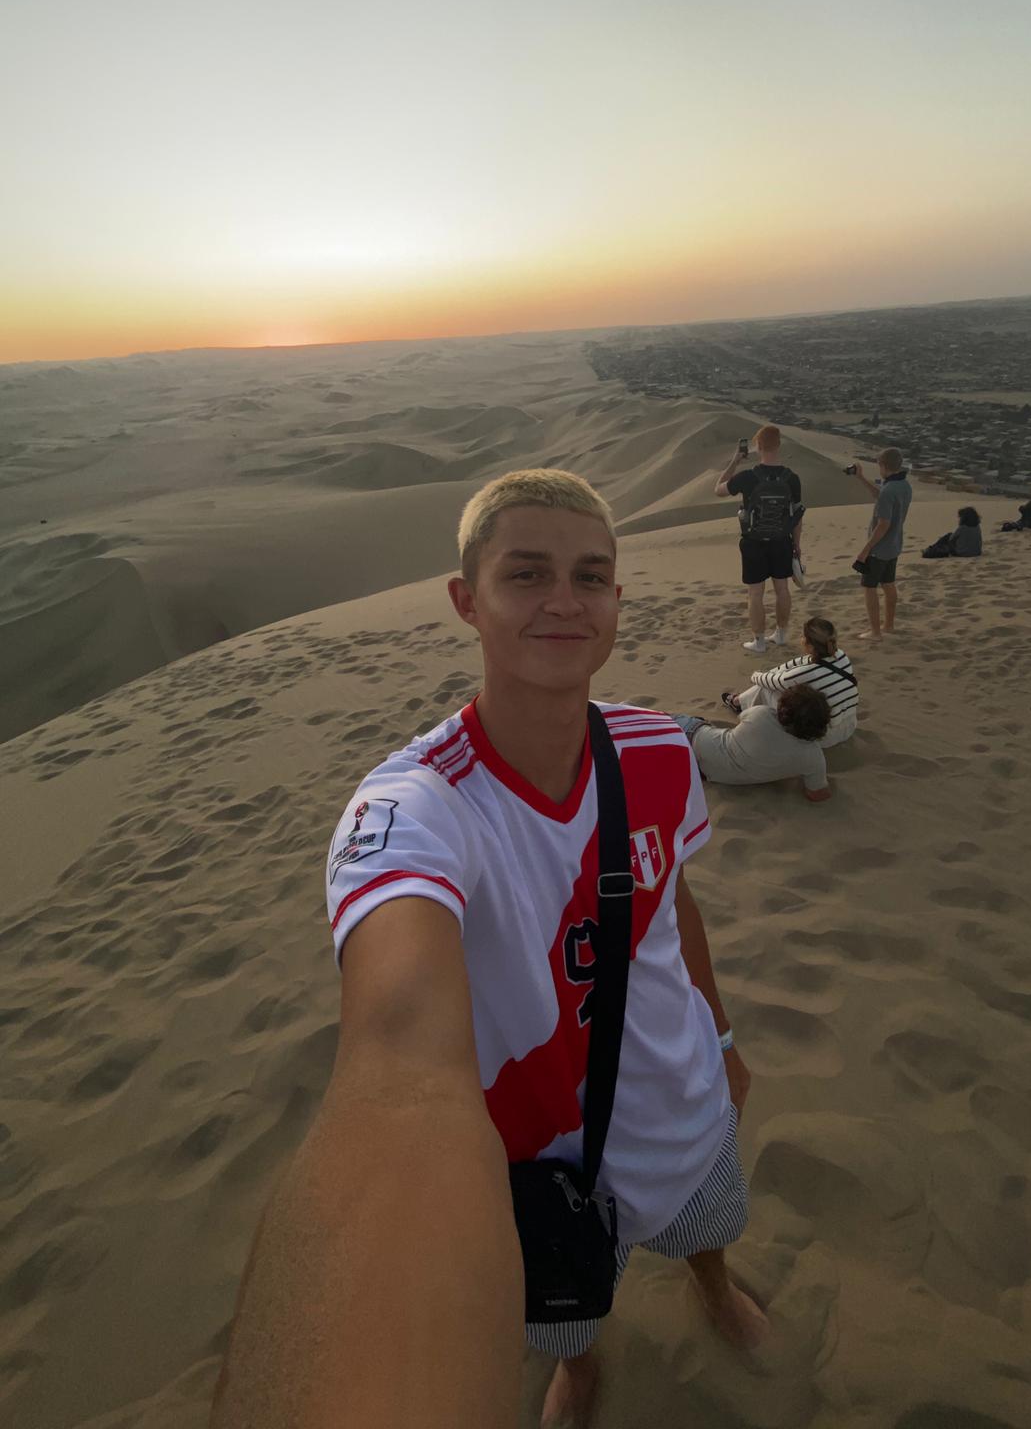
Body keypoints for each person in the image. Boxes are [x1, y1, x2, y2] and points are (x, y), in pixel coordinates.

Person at [211, 470, 762, 1429]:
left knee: (709, 1222)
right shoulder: (415, 808)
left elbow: (671, 902)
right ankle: (581, 1367)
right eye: (527, 574)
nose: (565, 601)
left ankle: (713, 1285)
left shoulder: (661, 752)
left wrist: (719, 1039)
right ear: (468, 600)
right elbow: (397, 1057)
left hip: (683, 1098)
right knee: (565, 1306)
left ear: (617, 599)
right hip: (539, 1163)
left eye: (591, 577)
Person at [715, 425, 805, 652]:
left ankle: (759, 641)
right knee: (782, 589)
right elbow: (797, 516)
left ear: (758, 446)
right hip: (782, 541)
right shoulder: (791, 478)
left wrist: (735, 460)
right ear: (779, 445)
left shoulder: (748, 477)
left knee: (755, 593)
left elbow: (718, 490)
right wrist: (796, 544)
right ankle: (781, 635)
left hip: (753, 543)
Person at [720, 615, 858, 748]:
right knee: (785, 687)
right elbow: (797, 663)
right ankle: (740, 701)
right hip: (849, 726)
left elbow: (774, 681)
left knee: (766, 688)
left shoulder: (807, 673)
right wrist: (774, 672)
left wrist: (755, 675)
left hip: (824, 736)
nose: (801, 639)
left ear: (810, 646)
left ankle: (738, 703)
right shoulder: (841, 656)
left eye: (803, 637)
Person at [674, 685, 834, 798]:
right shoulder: (814, 757)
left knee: (670, 720)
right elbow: (817, 794)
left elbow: (742, 718)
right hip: (703, 772)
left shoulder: (761, 714)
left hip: (692, 739)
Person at [848, 448, 912, 641]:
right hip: (893, 545)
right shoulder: (903, 485)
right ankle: (888, 626)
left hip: (879, 549)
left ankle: (875, 632)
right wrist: (861, 478)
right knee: (888, 584)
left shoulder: (889, 490)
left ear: (883, 466)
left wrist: (865, 550)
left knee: (869, 587)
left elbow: (883, 524)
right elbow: (881, 494)